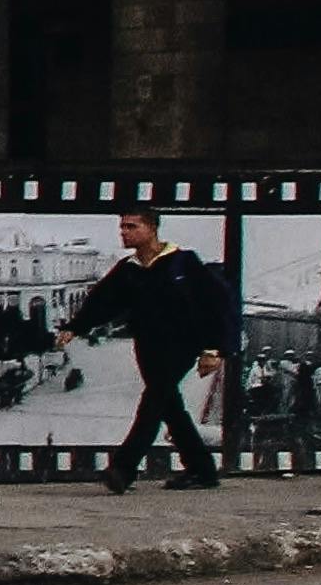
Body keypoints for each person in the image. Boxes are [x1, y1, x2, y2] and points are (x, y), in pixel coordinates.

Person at [57, 209, 235, 494]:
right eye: (122, 227)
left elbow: (216, 304)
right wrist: (75, 327)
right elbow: (102, 301)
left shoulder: (183, 262)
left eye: (131, 226)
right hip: (148, 348)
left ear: (151, 229)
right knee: (169, 406)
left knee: (153, 401)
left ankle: (123, 468)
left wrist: (214, 349)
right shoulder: (128, 269)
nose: (123, 232)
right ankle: (202, 470)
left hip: (182, 345)